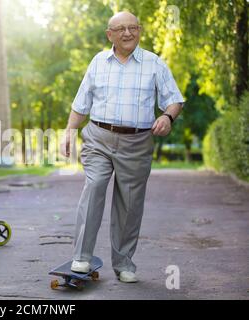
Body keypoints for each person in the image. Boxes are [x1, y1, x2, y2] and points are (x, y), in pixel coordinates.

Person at [61, 11, 184, 282]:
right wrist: (69, 131)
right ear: (110, 34)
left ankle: (124, 263)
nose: (127, 33)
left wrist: (167, 116)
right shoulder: (98, 62)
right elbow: (81, 102)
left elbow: (174, 99)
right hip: (99, 138)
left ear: (139, 30)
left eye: (133, 28)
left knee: (129, 204)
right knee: (93, 189)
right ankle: (81, 257)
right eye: (121, 29)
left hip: (137, 142)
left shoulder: (154, 63)